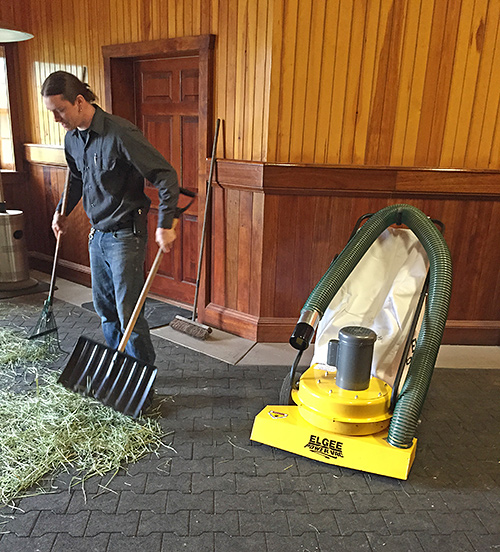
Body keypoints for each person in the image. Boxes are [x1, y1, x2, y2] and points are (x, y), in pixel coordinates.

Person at [41, 70, 179, 365]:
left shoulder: (120, 133)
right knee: (106, 311)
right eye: (52, 113)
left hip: (126, 236)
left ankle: (141, 382)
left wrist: (165, 223)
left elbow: (165, 175)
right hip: (98, 235)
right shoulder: (73, 140)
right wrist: (61, 212)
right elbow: (76, 180)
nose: (57, 120)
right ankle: (121, 370)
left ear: (79, 101)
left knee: (129, 312)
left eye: (60, 111)